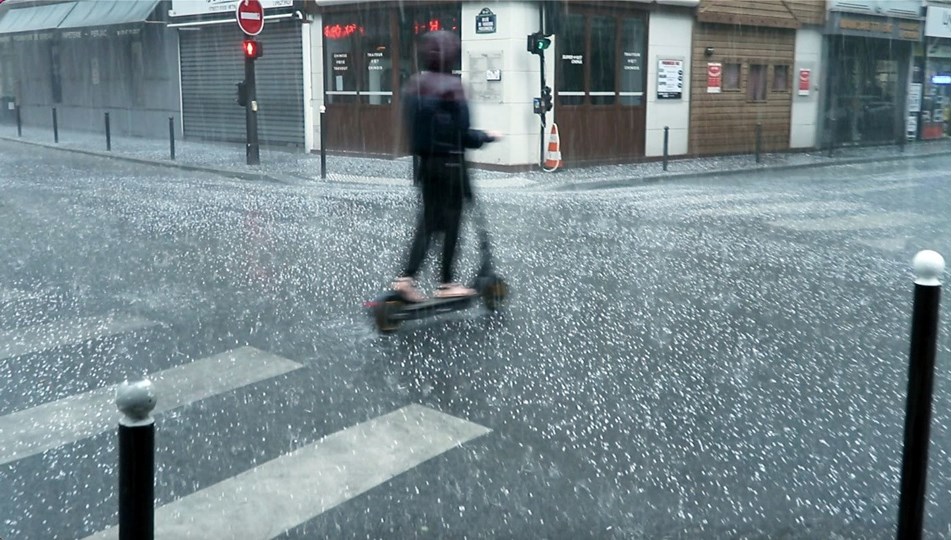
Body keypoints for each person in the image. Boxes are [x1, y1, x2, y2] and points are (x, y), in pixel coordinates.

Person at [392, 31, 500, 303]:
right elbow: (462, 135)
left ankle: (406, 278)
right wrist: (487, 136)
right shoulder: (453, 87)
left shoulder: (414, 85)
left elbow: (417, 130)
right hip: (452, 166)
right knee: (452, 223)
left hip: (425, 166)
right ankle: (446, 283)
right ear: (451, 55)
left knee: (428, 223)